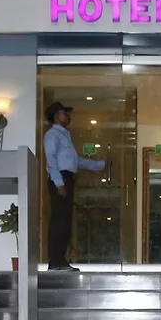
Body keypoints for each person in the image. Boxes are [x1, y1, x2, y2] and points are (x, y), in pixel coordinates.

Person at [43, 101, 107, 272]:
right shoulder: (52, 135)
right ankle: (55, 262)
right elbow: (51, 159)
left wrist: (100, 165)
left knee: (65, 221)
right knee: (59, 221)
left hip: (67, 178)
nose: (68, 116)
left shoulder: (65, 136)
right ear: (56, 116)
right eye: (64, 113)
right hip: (60, 178)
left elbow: (76, 161)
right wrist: (59, 183)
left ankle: (60, 260)